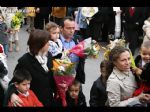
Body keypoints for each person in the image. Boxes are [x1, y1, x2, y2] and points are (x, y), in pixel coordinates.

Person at [4, 29, 55, 107]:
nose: (49, 44)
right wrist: (12, 95)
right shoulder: (25, 61)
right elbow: (14, 82)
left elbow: (51, 79)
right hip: (34, 101)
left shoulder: (49, 56)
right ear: (39, 44)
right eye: (47, 42)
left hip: (50, 100)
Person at [59, 16, 85, 84]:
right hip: (60, 78)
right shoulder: (56, 41)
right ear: (61, 28)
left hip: (76, 78)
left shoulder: (78, 39)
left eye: (73, 28)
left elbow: (83, 56)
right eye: (68, 28)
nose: (72, 31)